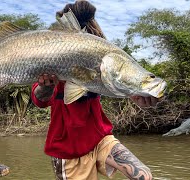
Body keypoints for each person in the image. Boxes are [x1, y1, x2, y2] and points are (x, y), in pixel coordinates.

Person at [31, 1, 158, 179]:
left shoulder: (102, 57)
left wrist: (136, 95)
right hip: (68, 150)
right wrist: (46, 87)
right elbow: (39, 100)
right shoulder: (52, 55)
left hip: (101, 139)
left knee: (144, 176)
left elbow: (116, 85)